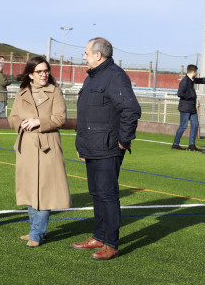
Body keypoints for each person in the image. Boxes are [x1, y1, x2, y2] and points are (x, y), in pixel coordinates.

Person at [72, 38, 141, 261]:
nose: (84, 56)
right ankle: (98, 236)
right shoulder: (92, 77)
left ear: (98, 55)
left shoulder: (115, 76)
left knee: (108, 195)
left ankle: (111, 243)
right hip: (91, 146)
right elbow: (87, 115)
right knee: (97, 194)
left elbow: (131, 110)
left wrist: (123, 141)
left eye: (86, 53)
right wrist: (81, 145)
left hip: (108, 148)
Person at [9, 56, 71, 248]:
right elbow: (12, 117)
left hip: (48, 146)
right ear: (30, 74)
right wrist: (21, 123)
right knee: (30, 189)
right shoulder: (21, 93)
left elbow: (61, 118)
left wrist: (38, 121)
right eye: (40, 72)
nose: (44, 75)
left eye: (46, 71)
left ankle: (37, 232)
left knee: (45, 191)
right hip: (26, 146)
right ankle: (34, 229)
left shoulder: (55, 92)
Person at [172, 64, 202, 151]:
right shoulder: (185, 81)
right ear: (193, 72)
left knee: (195, 124)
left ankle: (192, 145)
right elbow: (180, 93)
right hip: (185, 107)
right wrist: (191, 96)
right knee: (183, 126)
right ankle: (175, 144)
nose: (196, 74)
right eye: (196, 72)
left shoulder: (190, 81)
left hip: (192, 108)